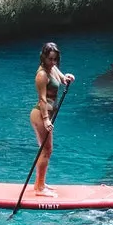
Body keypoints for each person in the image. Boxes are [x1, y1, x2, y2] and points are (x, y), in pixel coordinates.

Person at [29, 42, 75, 198]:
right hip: (41, 115)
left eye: (55, 59)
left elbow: (62, 79)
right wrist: (46, 119)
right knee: (46, 150)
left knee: (46, 150)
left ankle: (40, 183)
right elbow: (42, 99)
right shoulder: (42, 74)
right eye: (50, 59)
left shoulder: (52, 68)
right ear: (43, 57)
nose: (53, 62)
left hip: (47, 115)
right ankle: (39, 188)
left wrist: (67, 77)